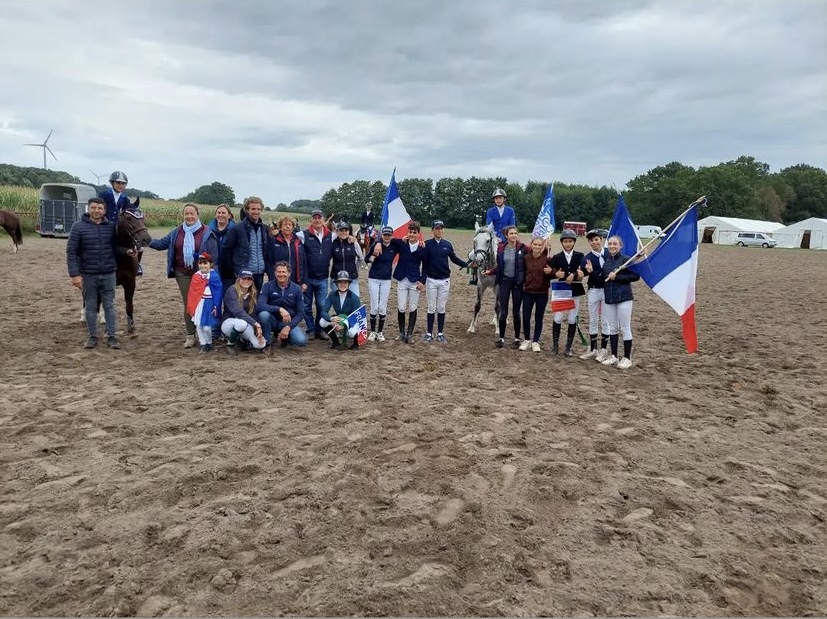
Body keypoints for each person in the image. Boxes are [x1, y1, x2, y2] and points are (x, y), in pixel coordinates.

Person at [149, 203, 219, 348]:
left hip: (201, 274)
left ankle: (205, 334)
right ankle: (190, 334)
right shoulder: (177, 231)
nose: (189, 216)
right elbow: (162, 243)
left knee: (203, 302)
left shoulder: (207, 232)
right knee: (189, 303)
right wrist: (146, 241)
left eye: (192, 213)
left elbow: (214, 256)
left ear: (197, 215)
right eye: (186, 214)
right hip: (183, 273)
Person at [66, 197, 131, 349]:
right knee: (90, 306)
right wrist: (74, 274)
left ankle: (112, 336)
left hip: (108, 273)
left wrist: (126, 251)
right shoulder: (78, 227)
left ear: (104, 210)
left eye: (100, 208)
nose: (96, 211)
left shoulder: (110, 227)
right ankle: (92, 336)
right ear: (88, 209)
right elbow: (71, 252)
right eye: (93, 208)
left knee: (109, 305)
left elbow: (116, 248)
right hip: (88, 274)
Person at [421, 219, 472, 343]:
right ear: (432, 230)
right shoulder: (426, 244)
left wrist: (467, 265)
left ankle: (440, 333)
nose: (440, 231)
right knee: (431, 307)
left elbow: (454, 259)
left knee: (441, 307)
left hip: (444, 281)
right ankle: (429, 333)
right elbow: (424, 264)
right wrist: (422, 279)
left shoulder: (448, 245)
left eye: (441, 228)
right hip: (431, 281)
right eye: (437, 228)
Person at [484, 225, 528, 348]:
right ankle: (501, 338)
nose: (514, 235)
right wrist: (491, 271)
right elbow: (499, 266)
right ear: (506, 235)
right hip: (504, 282)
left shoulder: (524, 248)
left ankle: (517, 338)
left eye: (515, 233)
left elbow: (534, 257)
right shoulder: (501, 248)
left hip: (517, 283)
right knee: (503, 311)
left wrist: (546, 248)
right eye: (511, 233)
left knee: (516, 312)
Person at [221, 196, 275, 292]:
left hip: (259, 273)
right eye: (253, 209)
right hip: (243, 272)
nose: (256, 211)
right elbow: (226, 250)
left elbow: (268, 250)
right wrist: (232, 271)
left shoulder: (265, 229)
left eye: (258, 209)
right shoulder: (237, 228)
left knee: (255, 302)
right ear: (247, 210)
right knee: (240, 302)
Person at [601, 236, 640, 369]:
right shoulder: (606, 262)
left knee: (625, 328)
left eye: (615, 244)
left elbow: (635, 276)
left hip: (624, 298)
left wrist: (617, 276)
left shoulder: (626, 260)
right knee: (613, 328)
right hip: (610, 298)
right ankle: (614, 356)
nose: (612, 246)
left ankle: (627, 358)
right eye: (610, 244)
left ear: (620, 246)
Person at [297, 209, 335, 340]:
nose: (317, 220)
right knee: (307, 305)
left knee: (321, 305)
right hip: (307, 278)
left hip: (323, 277)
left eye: (319, 218)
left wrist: (351, 238)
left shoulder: (331, 235)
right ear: (311, 220)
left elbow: (344, 238)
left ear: (323, 220)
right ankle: (310, 329)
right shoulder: (303, 234)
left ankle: (319, 329)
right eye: (315, 218)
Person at [548, 229, 585, 356]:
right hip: (561, 291)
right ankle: (555, 345)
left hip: (575, 290)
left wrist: (574, 274)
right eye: (565, 241)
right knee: (558, 317)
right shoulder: (557, 257)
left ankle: (568, 347)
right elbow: (549, 268)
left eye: (570, 241)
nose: (568, 244)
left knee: (572, 318)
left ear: (574, 242)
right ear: (562, 242)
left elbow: (584, 270)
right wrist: (555, 273)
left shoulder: (580, 256)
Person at [256, 261, 308, 350]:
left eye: (283, 272)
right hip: (272, 320)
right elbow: (260, 305)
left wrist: (288, 327)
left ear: (289, 273)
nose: (281, 274)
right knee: (263, 315)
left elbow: (301, 313)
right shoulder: (267, 286)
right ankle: (267, 344)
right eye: (278, 272)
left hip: (288, 322)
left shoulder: (297, 289)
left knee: (301, 341)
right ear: (275, 273)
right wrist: (279, 309)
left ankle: (285, 338)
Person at [99, 170, 144, 275]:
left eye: (123, 184)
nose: (120, 185)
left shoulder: (125, 198)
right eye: (118, 183)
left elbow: (127, 211)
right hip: (105, 223)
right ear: (112, 183)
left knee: (139, 246)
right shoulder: (104, 194)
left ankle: (137, 265)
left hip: (118, 225)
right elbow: (99, 207)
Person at [392, 221, 427, 343]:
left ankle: (410, 334)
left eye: (414, 232)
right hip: (402, 279)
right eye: (410, 232)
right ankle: (401, 332)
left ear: (418, 234)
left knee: (412, 307)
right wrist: (401, 238)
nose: (412, 234)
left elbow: (426, 266)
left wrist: (422, 281)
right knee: (401, 307)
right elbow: (390, 241)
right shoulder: (402, 243)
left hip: (414, 281)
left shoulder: (422, 248)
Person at [364, 225, 401, 341]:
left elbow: (402, 242)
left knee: (383, 307)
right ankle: (373, 332)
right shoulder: (376, 245)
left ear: (391, 236)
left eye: (389, 235)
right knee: (374, 306)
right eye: (385, 235)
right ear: (382, 235)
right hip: (374, 278)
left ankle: (380, 332)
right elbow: (366, 258)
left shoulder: (394, 246)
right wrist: (371, 258)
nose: (387, 237)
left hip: (386, 279)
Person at [580, 229, 610, 361]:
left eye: (596, 239)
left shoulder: (610, 254)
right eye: (591, 240)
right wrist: (587, 272)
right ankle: (592, 348)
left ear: (601, 240)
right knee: (593, 319)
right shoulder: (587, 258)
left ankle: (604, 349)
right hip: (594, 290)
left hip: (607, 291)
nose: (594, 242)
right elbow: (583, 273)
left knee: (605, 319)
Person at [520, 236, 554, 352]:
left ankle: (535, 341)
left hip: (542, 292)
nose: (537, 247)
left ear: (542, 246)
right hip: (528, 292)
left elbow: (554, 273)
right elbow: (522, 272)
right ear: (531, 245)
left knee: (538, 317)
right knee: (526, 316)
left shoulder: (547, 259)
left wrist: (551, 272)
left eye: (540, 245)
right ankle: (526, 340)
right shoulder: (526, 258)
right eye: (535, 244)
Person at [221, 270, 266, 355]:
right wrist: (256, 324)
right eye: (244, 278)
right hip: (229, 323)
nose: (246, 281)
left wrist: (256, 329)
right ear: (238, 279)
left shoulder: (253, 292)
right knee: (241, 324)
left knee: (260, 344)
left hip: (246, 323)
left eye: (249, 279)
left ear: (252, 281)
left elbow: (253, 313)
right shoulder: (232, 290)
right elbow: (237, 311)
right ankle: (230, 344)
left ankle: (243, 340)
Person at [208, 204, 236, 339]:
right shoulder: (208, 230)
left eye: (224, 213)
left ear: (229, 215)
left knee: (229, 301)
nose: (221, 215)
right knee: (215, 301)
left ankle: (226, 329)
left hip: (230, 271)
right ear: (215, 214)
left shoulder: (235, 230)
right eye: (218, 212)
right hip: (213, 271)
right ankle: (215, 331)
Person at [186, 252, 223, 353]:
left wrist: (216, 305)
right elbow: (193, 292)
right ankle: (203, 344)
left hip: (210, 303)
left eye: (205, 263)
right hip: (199, 303)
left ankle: (209, 342)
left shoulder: (214, 276)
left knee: (207, 327)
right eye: (200, 263)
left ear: (210, 264)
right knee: (199, 325)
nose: (202, 265)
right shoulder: (196, 276)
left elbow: (218, 291)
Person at [319, 271, 363, 349]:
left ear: (349, 284)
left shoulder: (355, 298)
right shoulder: (332, 295)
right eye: (340, 282)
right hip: (339, 318)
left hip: (350, 320)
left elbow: (356, 318)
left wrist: (344, 325)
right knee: (322, 321)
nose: (343, 285)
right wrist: (331, 319)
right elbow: (323, 311)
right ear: (337, 284)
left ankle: (355, 344)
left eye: (345, 282)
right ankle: (335, 342)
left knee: (353, 332)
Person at [271, 215, 308, 294]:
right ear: (280, 227)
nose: (287, 227)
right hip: (279, 279)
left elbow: (304, 262)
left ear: (293, 227)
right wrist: (272, 278)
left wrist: (304, 281)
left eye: (290, 225)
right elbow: (269, 261)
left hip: (296, 279)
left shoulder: (298, 242)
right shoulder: (274, 241)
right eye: (285, 224)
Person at [330, 220, 363, 296]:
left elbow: (361, 258)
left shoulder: (354, 243)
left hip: (352, 278)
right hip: (336, 278)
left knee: (355, 302)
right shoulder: (333, 243)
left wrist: (355, 269)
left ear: (349, 231)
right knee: (339, 305)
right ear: (337, 231)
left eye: (346, 230)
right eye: (341, 230)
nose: (343, 232)